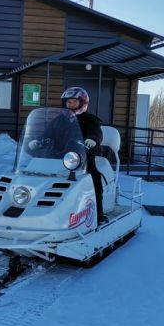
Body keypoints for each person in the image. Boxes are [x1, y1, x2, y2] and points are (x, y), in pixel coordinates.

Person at [55, 87, 108, 225]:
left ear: (82, 103)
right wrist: (38, 140)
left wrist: (93, 139)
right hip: (57, 158)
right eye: (68, 102)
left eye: (74, 102)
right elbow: (48, 132)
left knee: (94, 177)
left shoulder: (90, 120)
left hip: (82, 159)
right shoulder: (60, 119)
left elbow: (96, 132)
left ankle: (98, 213)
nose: (70, 105)